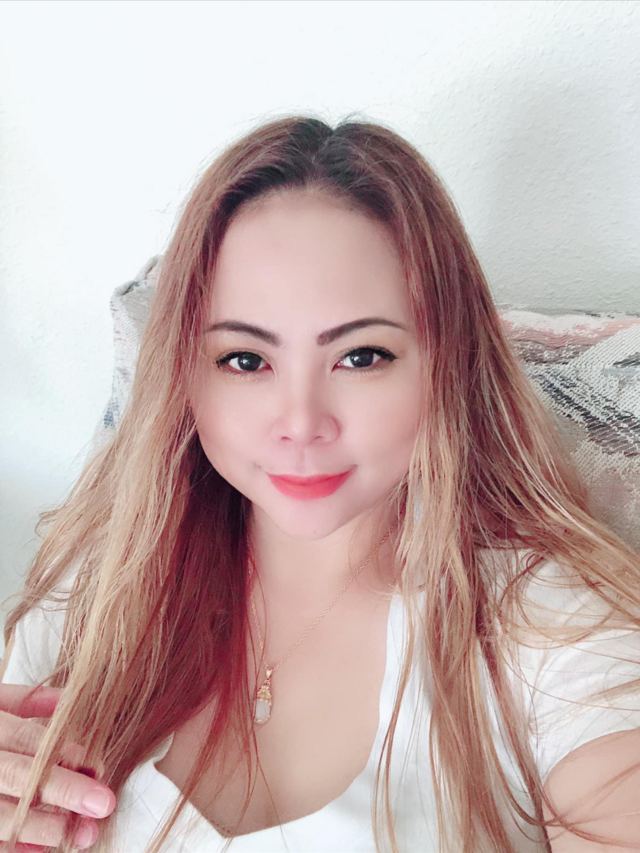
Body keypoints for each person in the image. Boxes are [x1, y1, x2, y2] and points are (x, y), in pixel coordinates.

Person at [1, 114, 639, 853]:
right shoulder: (94, 590)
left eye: (361, 356)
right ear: (184, 376)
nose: (301, 423)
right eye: (245, 360)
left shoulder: (555, 632)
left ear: (448, 363)